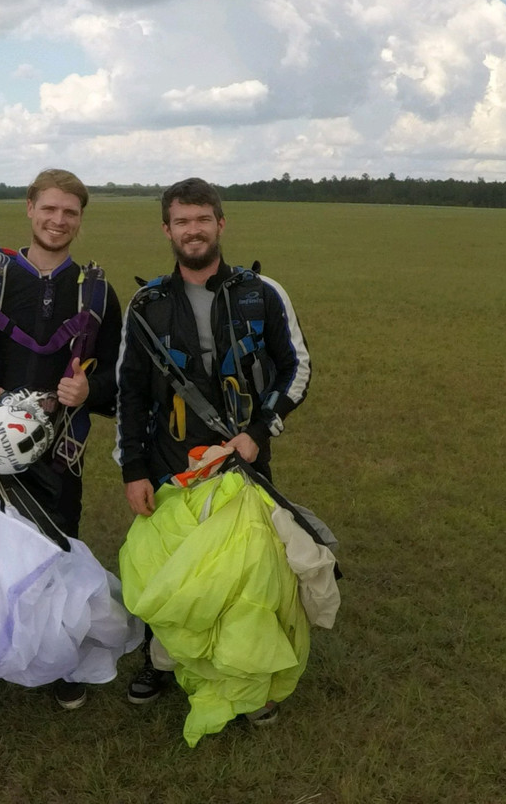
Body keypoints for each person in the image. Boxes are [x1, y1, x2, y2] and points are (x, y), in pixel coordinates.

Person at [114, 177, 312, 710]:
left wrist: (257, 431)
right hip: (169, 463)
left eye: (202, 219)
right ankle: (160, 660)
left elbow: (297, 369)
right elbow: (128, 392)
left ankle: (242, 666)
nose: (193, 230)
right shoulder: (147, 304)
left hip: (242, 461)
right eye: (182, 221)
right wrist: (133, 469)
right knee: (167, 566)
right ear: (167, 230)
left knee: (249, 571)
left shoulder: (262, 293)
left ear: (221, 224)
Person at [0, 169, 123, 709]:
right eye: (48, 209)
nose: (58, 220)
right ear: (29, 209)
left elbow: (121, 377)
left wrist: (89, 389)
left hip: (61, 450)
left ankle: (56, 659)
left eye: (69, 212)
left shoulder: (96, 290)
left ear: (80, 218)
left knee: (56, 553)